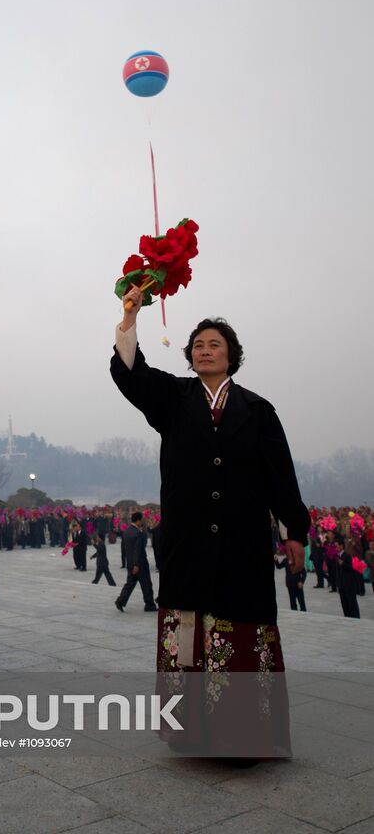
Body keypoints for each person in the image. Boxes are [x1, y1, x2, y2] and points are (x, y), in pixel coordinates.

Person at [111, 296, 310, 757]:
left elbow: (281, 476)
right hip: (187, 543)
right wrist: (130, 317)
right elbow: (132, 375)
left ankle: (245, 736)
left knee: (240, 634)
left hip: (244, 546)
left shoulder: (258, 410)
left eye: (214, 344)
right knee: (189, 633)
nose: (204, 351)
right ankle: (189, 732)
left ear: (230, 354)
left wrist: (294, 531)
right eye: (197, 345)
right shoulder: (173, 399)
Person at [115, 512, 156, 611]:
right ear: (138, 520)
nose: (142, 521)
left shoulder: (127, 531)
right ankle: (149, 605)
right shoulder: (138, 533)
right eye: (141, 519)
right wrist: (136, 565)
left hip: (130, 563)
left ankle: (120, 601)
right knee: (146, 584)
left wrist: (131, 563)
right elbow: (138, 550)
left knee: (130, 584)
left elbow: (127, 549)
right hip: (140, 564)